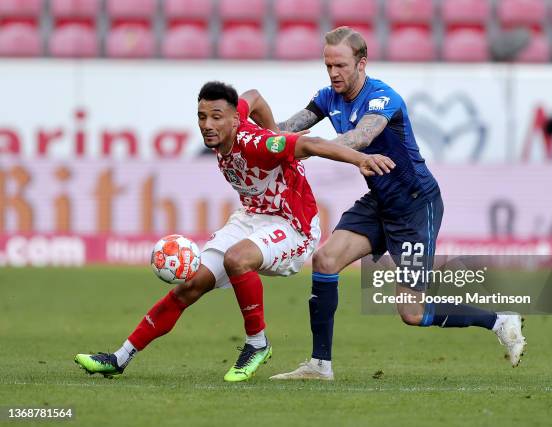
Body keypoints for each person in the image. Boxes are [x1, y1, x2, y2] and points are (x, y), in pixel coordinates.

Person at [74, 81, 395, 382]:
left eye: (216, 117)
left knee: (237, 258)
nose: (208, 125)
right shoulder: (227, 125)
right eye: (202, 117)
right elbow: (253, 96)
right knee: (190, 286)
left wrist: (359, 159)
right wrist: (272, 124)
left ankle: (257, 343)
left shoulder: (260, 144)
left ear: (232, 121)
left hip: (294, 224)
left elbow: (311, 143)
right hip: (252, 216)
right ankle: (119, 357)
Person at [270, 27, 526, 381]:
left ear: (362, 63)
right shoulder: (328, 96)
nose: (333, 73)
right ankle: (319, 366)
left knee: (412, 312)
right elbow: (285, 128)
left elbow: (360, 138)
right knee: (326, 259)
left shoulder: (382, 99)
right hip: (379, 201)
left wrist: (312, 147)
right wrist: (247, 132)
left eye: (340, 65)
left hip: (415, 206)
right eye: (328, 65)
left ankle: (499, 320)